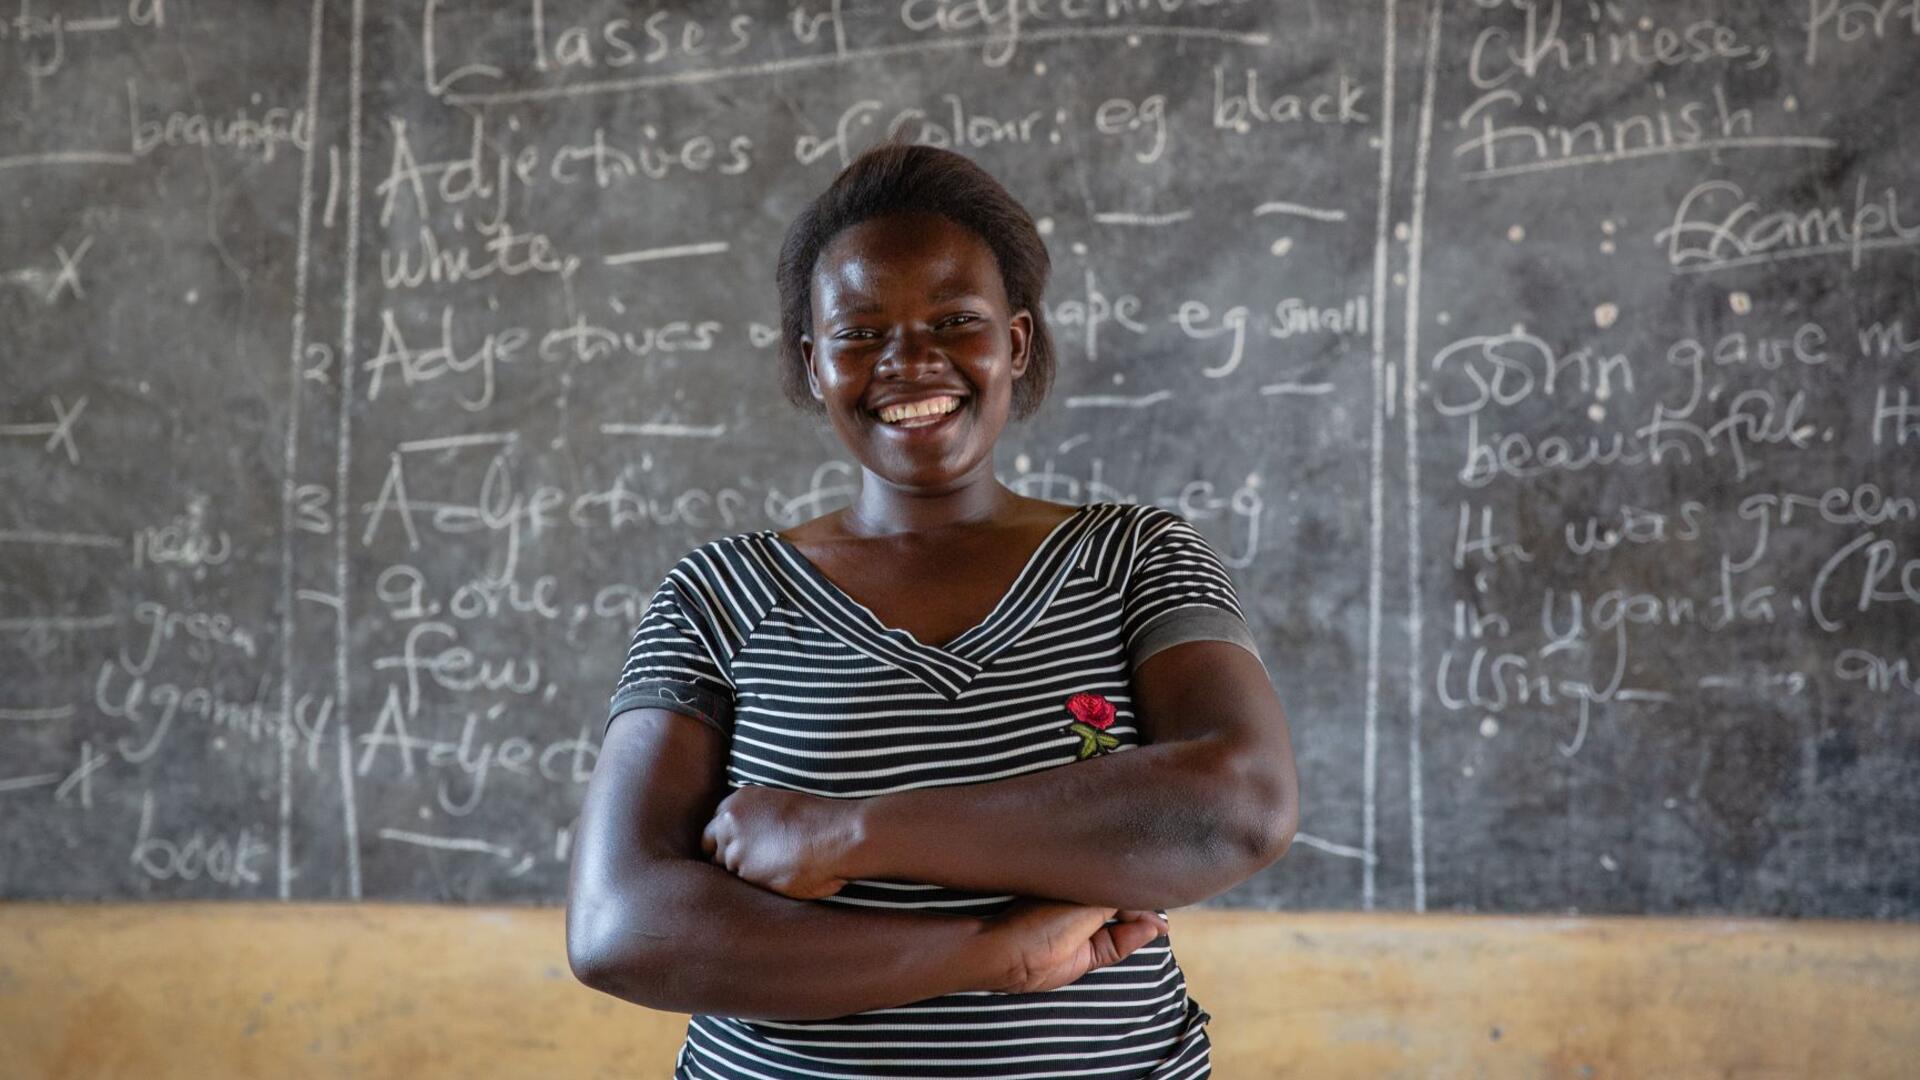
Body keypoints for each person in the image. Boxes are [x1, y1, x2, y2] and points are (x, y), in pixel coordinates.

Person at [567, 139, 1298, 1079]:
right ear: (814, 361)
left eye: (954, 319)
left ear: (1016, 342)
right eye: (861, 333)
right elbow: (618, 928)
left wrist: (848, 830)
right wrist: (987, 956)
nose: (909, 361)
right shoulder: (719, 593)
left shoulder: (1136, 559)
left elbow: (1239, 808)